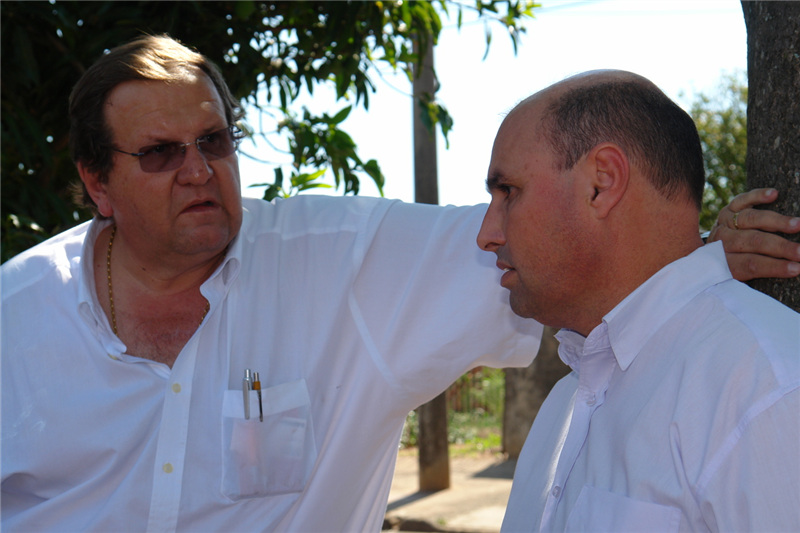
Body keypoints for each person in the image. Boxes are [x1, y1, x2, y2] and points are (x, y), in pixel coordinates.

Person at [0, 37, 795, 532]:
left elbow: (571, 246)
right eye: (161, 153)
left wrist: (696, 252)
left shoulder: (345, 263)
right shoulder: (17, 315)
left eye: (213, 141)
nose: (199, 170)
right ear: (97, 183)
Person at [476, 70, 800, 532]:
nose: (485, 235)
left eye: (508, 191)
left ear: (602, 183)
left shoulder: (767, 390)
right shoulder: (567, 401)